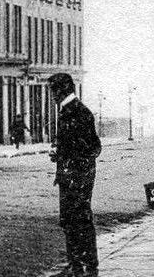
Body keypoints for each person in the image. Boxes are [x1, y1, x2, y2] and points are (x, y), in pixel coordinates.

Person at [50, 73, 101, 277]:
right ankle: (80, 264)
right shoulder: (73, 110)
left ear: (61, 91)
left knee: (77, 220)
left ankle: (82, 265)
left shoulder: (75, 112)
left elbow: (92, 147)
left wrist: (61, 153)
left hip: (76, 176)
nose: (52, 96)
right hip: (74, 174)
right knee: (72, 220)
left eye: (53, 91)